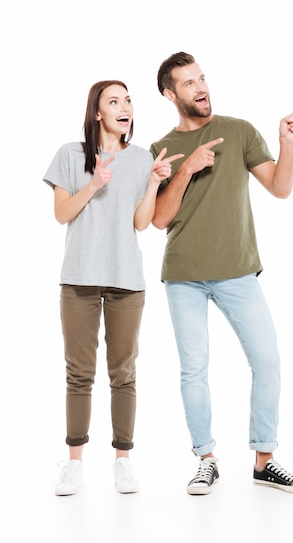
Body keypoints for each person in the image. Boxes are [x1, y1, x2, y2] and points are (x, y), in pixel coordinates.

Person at [150, 51, 293, 495]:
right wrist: (186, 168)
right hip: (183, 273)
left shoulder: (239, 131)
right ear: (169, 93)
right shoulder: (160, 149)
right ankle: (206, 459)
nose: (201, 87)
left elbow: (280, 188)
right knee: (193, 370)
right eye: (188, 83)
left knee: (267, 361)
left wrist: (288, 144)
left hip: (238, 271)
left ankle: (264, 460)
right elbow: (159, 219)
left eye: (201, 78)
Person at [44, 80, 182, 496]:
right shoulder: (70, 154)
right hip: (79, 277)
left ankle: (123, 461)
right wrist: (94, 184)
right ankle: (74, 464)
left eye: (128, 100)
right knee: (79, 374)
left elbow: (142, 223)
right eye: (114, 101)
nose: (125, 107)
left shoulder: (142, 158)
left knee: (124, 373)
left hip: (127, 279)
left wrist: (155, 180)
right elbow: (61, 213)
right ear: (98, 112)